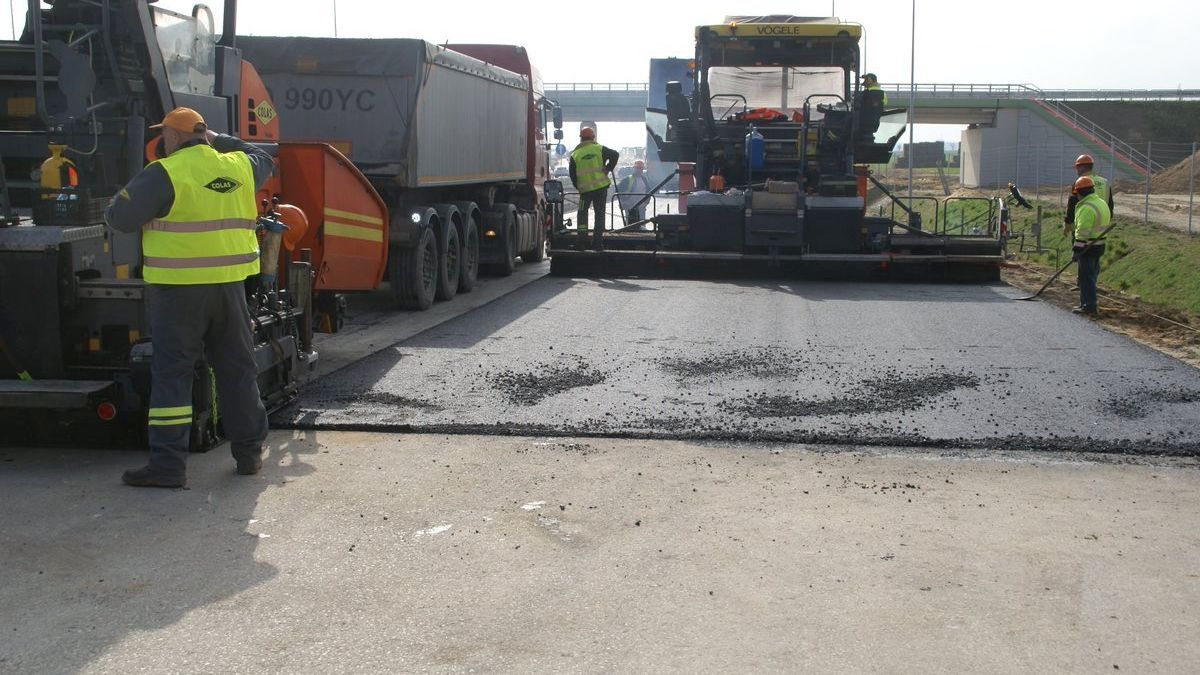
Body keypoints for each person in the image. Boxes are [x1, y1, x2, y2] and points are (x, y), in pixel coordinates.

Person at [105, 107, 275, 487]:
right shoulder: (239, 166)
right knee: (237, 370)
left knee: (173, 376)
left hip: (178, 292)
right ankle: (249, 454)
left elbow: (119, 219)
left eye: (165, 134)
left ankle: (168, 466)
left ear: (175, 137)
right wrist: (220, 139)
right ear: (204, 135)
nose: (163, 140)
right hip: (230, 289)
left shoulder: (165, 172)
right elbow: (264, 156)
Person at [568, 126, 619, 250]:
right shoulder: (599, 149)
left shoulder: (575, 154)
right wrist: (608, 168)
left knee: (582, 214)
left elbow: (572, 175)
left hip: (585, 192)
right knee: (599, 215)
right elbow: (615, 154)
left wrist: (579, 186)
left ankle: (582, 242)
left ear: (581, 139)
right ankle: (597, 244)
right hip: (601, 189)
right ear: (592, 137)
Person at [1069, 175, 1112, 316]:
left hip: (1088, 247)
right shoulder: (1100, 203)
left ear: (1080, 192)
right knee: (1091, 276)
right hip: (1099, 246)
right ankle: (1087, 303)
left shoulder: (1086, 207)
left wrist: (1076, 250)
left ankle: (1089, 306)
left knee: (1085, 278)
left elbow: (1082, 232)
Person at [1064, 154, 1114, 230]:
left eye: (1077, 168)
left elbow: (1072, 203)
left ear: (1081, 167)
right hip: (1101, 225)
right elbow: (1110, 204)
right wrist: (1107, 220)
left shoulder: (1079, 182)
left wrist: (1068, 223)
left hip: (1083, 223)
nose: (1077, 171)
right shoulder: (1105, 182)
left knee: (1081, 241)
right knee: (1099, 242)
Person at [857, 72, 888, 141]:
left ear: (870, 81)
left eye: (866, 80)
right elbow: (884, 105)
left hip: (861, 124)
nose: (864, 82)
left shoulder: (865, 93)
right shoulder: (883, 94)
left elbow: (856, 105)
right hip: (875, 124)